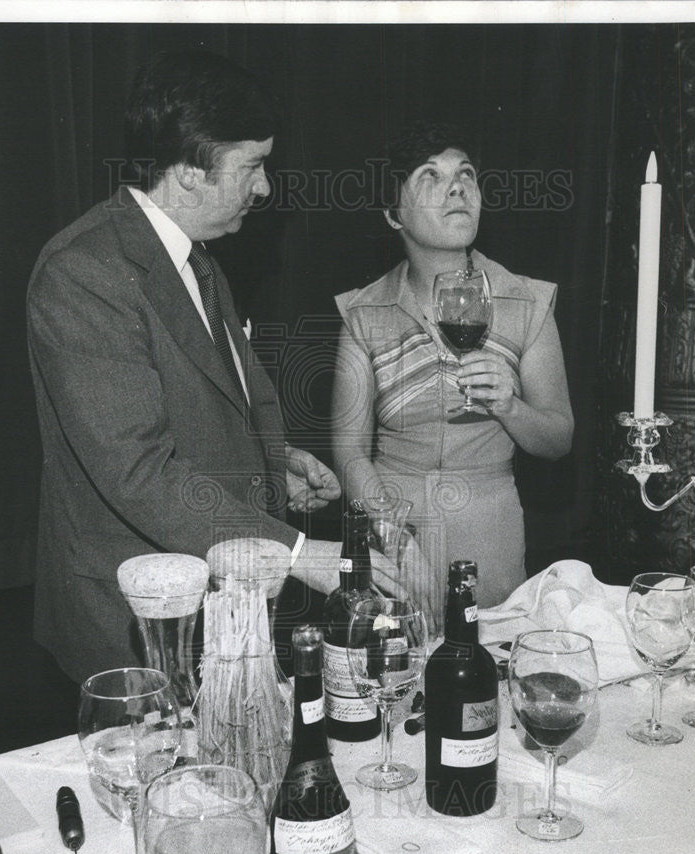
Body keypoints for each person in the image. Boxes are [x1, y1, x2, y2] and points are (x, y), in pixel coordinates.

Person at [27, 49, 409, 684]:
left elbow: (206, 401)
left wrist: (271, 460)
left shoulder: (198, 258)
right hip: (137, 622)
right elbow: (136, 468)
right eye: (252, 166)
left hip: (221, 601)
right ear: (188, 170)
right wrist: (295, 551)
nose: (264, 187)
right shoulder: (84, 272)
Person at [331, 121, 573, 624]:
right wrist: (394, 541)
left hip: (491, 535)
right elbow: (350, 451)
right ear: (393, 215)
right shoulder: (362, 313)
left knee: (483, 686)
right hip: (392, 536)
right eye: (429, 177)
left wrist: (510, 406)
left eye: (465, 173)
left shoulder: (526, 301)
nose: (457, 187)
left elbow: (558, 439)